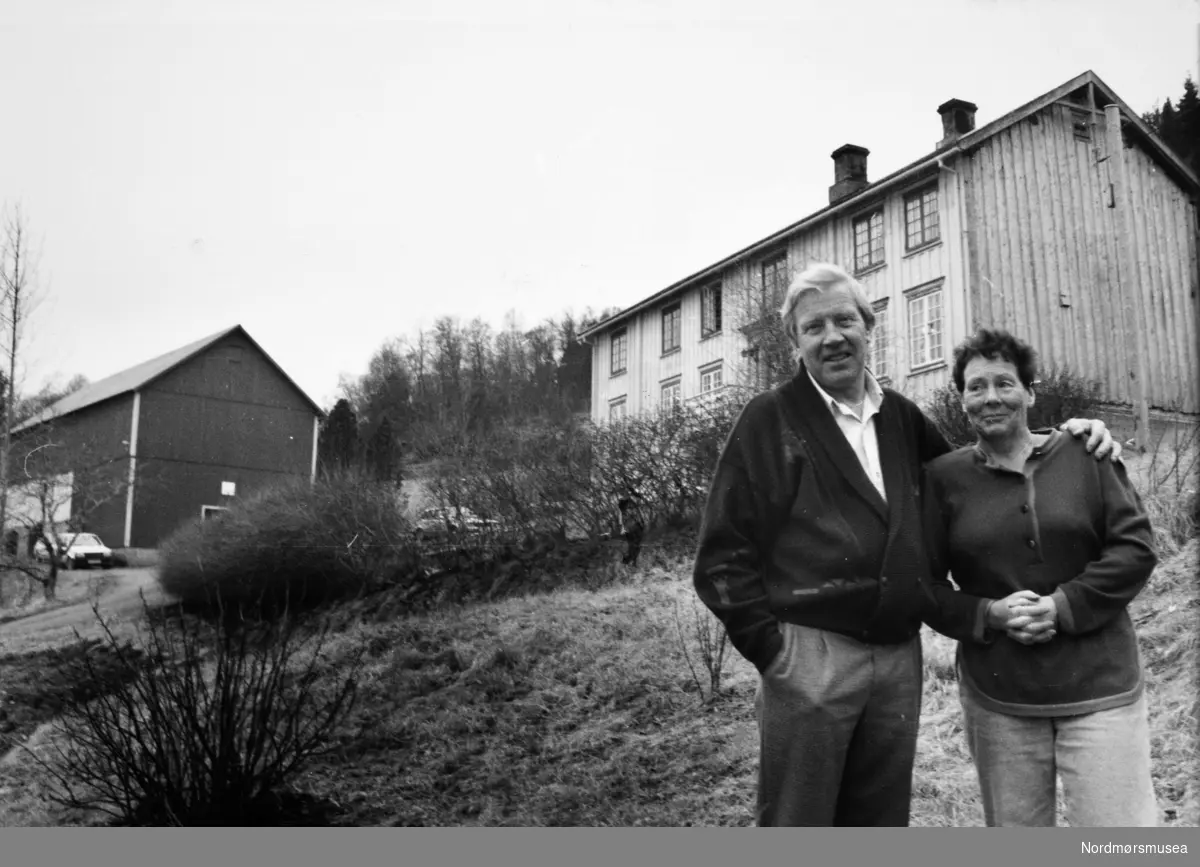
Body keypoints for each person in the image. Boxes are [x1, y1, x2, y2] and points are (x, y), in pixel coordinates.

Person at [692, 263, 1120, 827]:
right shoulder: (769, 420)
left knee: (879, 822)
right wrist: (776, 654)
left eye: (845, 319)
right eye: (814, 326)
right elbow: (721, 555)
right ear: (795, 342)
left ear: (870, 327)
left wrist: (1069, 438)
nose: (833, 336)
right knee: (800, 823)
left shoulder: (900, 417)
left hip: (897, 657)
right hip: (811, 658)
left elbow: (979, 477)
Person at [922, 328, 1158, 827]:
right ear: (961, 398)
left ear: (1030, 391)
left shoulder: (1085, 452)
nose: (990, 398)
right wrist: (990, 614)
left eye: (1005, 383)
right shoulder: (943, 479)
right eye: (975, 386)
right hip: (1000, 696)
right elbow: (925, 587)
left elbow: (1135, 547)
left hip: (1101, 684)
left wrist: (1063, 606)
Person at [617, 495, 645, 567]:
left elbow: (623, 524)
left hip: (634, 529)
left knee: (634, 546)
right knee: (634, 546)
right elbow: (622, 524)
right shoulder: (626, 512)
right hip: (634, 530)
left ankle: (632, 562)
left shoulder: (628, 510)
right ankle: (633, 562)